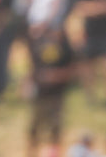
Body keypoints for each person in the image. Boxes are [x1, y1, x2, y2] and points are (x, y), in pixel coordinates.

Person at [26, 18, 77, 157]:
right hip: (40, 91)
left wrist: (56, 76)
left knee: (56, 126)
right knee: (35, 125)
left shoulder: (66, 47)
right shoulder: (38, 43)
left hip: (57, 92)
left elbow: (73, 68)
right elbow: (33, 67)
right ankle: (32, 151)